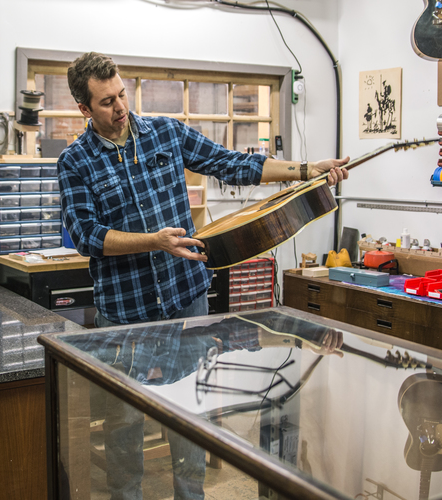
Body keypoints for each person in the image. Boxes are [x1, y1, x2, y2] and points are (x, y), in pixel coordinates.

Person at [59, 52, 348, 499]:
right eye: (106, 103)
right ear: (84, 108)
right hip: (125, 312)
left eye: (122, 94)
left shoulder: (166, 133)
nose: (120, 108)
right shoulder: (75, 162)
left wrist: (308, 171)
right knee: (123, 423)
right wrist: (153, 241)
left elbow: (235, 163)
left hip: (186, 300)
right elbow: (86, 235)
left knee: (189, 414)